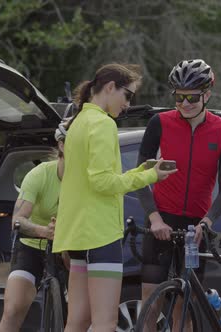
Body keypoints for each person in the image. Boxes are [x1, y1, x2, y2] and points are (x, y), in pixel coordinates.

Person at [52, 64, 176, 332]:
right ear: (110, 87)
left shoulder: (77, 123)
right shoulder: (103, 124)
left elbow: (86, 179)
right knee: (105, 323)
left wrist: (139, 171)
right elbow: (102, 182)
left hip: (76, 234)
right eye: (128, 95)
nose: (128, 104)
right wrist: (150, 177)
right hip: (100, 234)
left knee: (76, 321)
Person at [137, 59, 221, 327]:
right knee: (150, 303)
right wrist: (154, 218)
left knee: (185, 306)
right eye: (179, 98)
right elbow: (138, 178)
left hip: (196, 227)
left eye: (192, 97)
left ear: (207, 94)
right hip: (161, 219)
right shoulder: (159, 123)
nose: (184, 104)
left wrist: (207, 221)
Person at [0, 121, 69, 332]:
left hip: (68, 246)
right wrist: (43, 231)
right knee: (13, 309)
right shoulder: (40, 175)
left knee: (76, 314)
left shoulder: (83, 179)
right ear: (62, 145)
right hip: (31, 246)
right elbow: (17, 220)